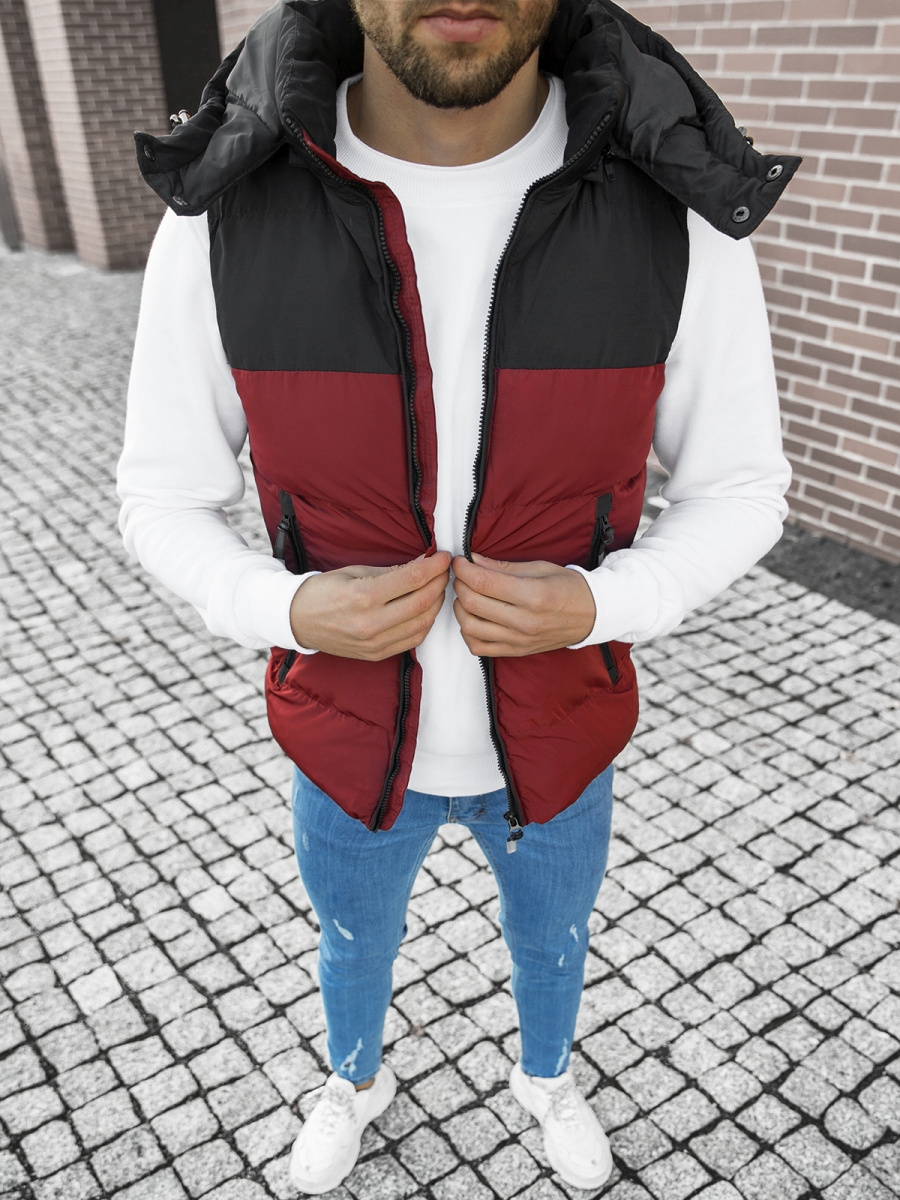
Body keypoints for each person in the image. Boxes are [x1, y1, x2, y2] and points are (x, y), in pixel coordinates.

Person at [119, 0, 797, 1191]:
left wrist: (604, 604)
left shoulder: (676, 213)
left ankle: (547, 1079)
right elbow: (160, 496)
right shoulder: (224, 214)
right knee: (351, 946)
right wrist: (287, 612)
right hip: (344, 739)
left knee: (554, 946)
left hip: (561, 737)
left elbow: (742, 488)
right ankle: (353, 1082)